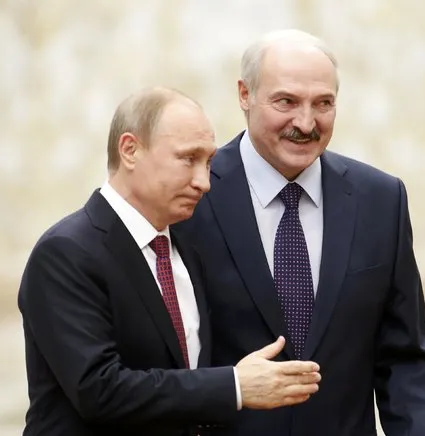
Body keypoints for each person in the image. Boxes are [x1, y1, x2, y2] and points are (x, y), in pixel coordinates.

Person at [174, 30, 425, 436]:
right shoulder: (190, 198)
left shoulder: (380, 199)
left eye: (323, 104)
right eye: (286, 101)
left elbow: (407, 359)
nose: (305, 123)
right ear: (244, 95)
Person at [17, 86, 321, 436]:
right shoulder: (66, 252)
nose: (204, 182)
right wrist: (234, 387)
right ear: (130, 150)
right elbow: (98, 389)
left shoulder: (185, 250)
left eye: (208, 162)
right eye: (188, 159)